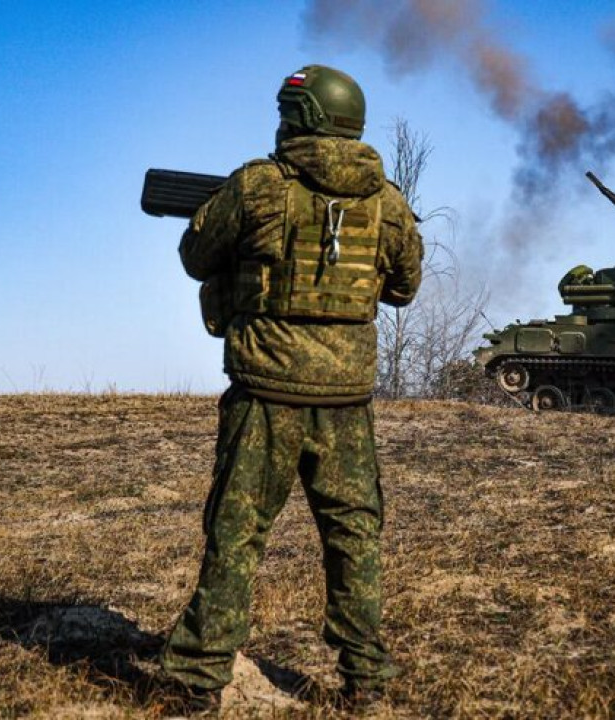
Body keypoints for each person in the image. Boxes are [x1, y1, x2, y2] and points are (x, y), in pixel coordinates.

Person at [156, 64, 423, 714]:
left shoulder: (256, 185)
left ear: (301, 119)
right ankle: (365, 679)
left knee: (237, 531)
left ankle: (197, 681)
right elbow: (404, 288)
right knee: (354, 535)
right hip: (345, 401)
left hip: (265, 393)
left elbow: (195, 258)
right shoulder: (387, 202)